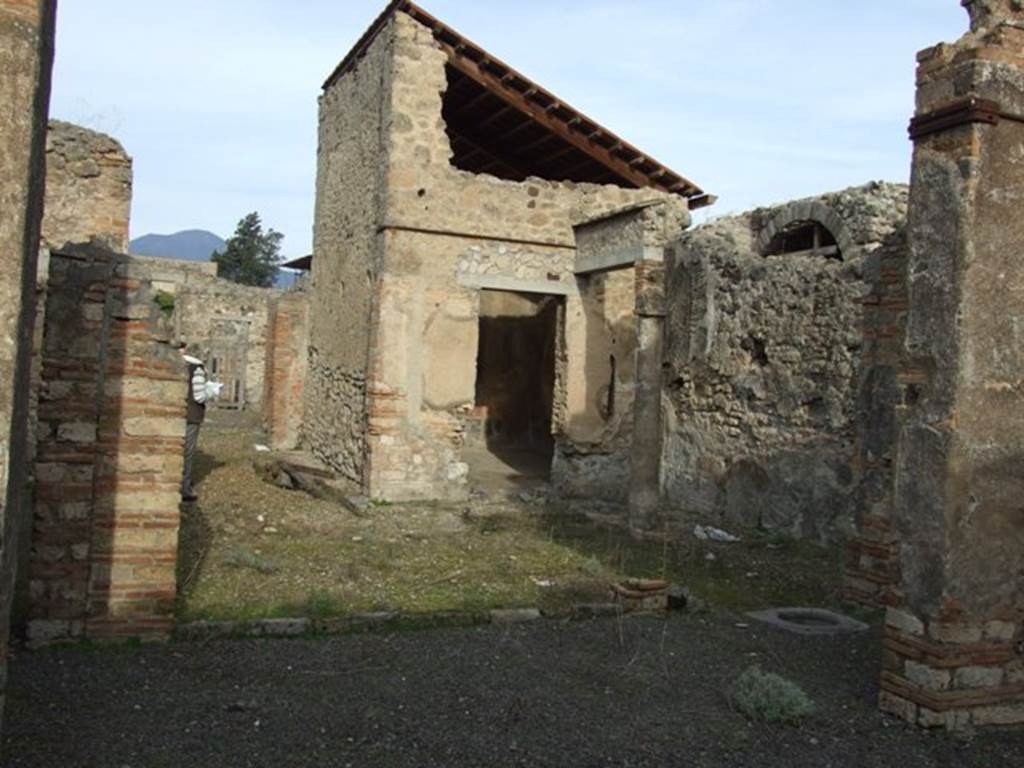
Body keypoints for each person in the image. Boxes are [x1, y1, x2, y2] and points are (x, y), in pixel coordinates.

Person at [178, 343, 217, 502]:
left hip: (178, 413)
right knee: (187, 451)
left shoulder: (180, 364)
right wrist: (212, 391)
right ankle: (185, 489)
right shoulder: (197, 368)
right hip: (192, 414)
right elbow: (199, 396)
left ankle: (179, 482)